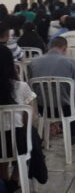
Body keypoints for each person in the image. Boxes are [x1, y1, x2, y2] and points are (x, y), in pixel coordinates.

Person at [0, 45, 48, 188]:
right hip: (19, 145)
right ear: (11, 64)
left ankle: (5, 182)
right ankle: (15, 178)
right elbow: (31, 118)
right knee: (30, 134)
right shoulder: (21, 87)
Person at [29, 37, 75, 141]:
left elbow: (32, 89)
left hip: (42, 109)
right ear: (64, 48)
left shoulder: (33, 63)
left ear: (49, 47)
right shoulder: (71, 62)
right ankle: (72, 133)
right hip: (66, 109)